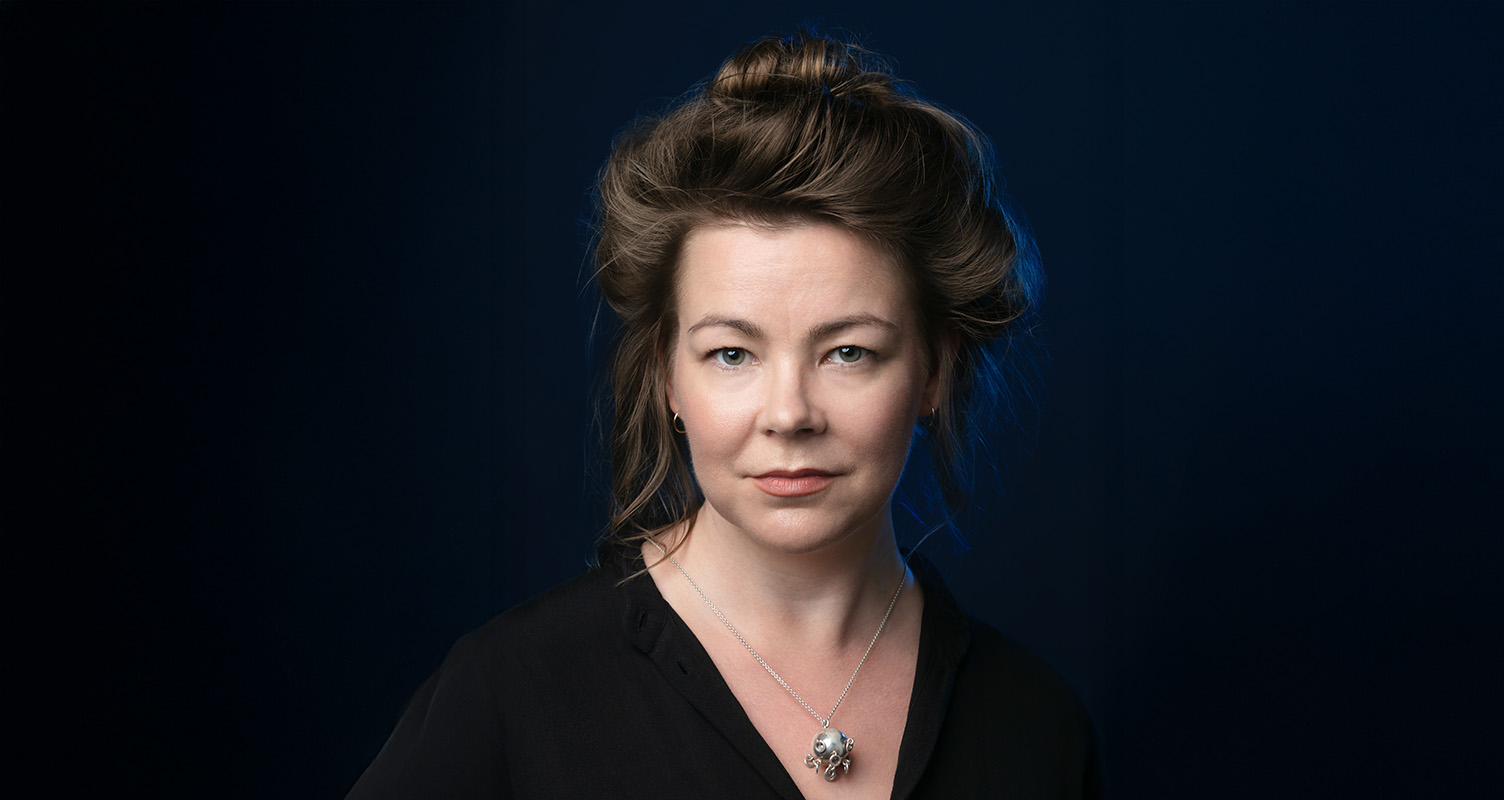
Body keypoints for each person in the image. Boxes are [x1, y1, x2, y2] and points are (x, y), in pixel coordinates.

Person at [349, 30, 1101, 800]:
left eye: (848, 352)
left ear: (935, 369)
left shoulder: (1034, 727)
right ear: (669, 377)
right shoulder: (511, 694)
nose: (788, 414)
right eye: (732, 354)